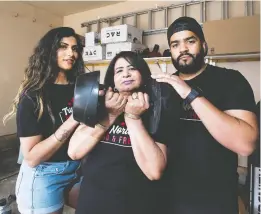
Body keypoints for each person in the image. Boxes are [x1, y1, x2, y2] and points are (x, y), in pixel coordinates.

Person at [151, 16, 259, 214]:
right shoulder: (162, 88)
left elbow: (246, 145)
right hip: (167, 199)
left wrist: (189, 94)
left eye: (190, 41)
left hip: (214, 201)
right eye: (175, 44)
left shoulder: (230, 80)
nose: (182, 49)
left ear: (204, 44)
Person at [67, 51, 180, 214]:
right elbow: (74, 152)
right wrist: (111, 115)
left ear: (142, 74)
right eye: (119, 71)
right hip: (92, 204)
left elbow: (154, 171)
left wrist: (133, 117)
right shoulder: (99, 107)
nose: (125, 74)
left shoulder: (156, 110)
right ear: (112, 79)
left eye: (132, 68)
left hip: (135, 205)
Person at [3, 27, 85, 214]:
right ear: (49, 50)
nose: (71, 53)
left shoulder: (79, 87)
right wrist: (73, 119)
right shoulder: (33, 95)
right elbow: (31, 157)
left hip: (76, 168)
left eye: (74, 48)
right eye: (63, 47)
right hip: (43, 175)